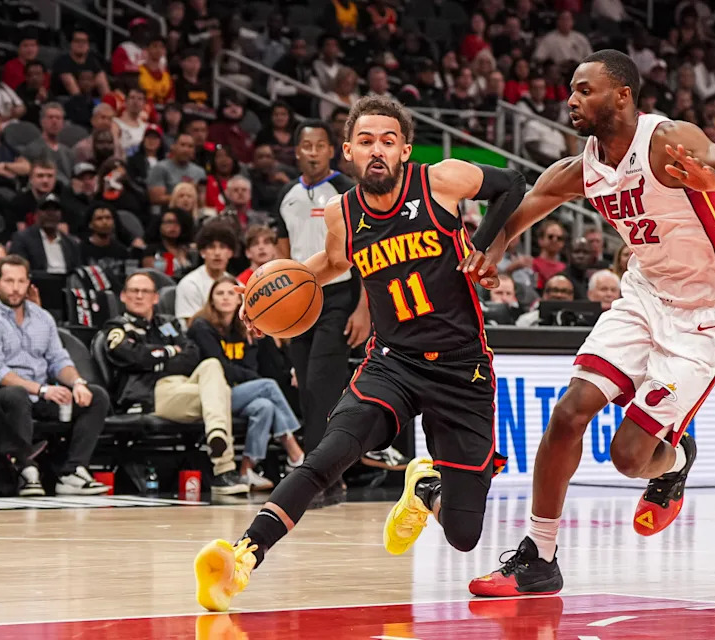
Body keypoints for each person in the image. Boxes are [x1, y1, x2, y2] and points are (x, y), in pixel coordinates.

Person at [194, 95, 525, 612]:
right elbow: (329, 265)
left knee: (464, 534)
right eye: (366, 141)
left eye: (388, 141)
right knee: (327, 455)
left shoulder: (441, 181)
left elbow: (514, 183)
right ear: (347, 151)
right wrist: (262, 297)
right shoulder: (341, 214)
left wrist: (483, 244)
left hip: (462, 368)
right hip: (392, 362)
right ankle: (242, 557)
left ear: (405, 150)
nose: (377, 150)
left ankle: (426, 488)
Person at [466, 49, 715, 596]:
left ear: (622, 95)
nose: (571, 100)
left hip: (706, 312)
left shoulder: (666, 139)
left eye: (584, 90)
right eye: (570, 90)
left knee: (629, 458)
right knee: (568, 414)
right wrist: (491, 250)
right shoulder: (582, 168)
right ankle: (539, 557)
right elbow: (519, 213)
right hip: (644, 296)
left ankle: (675, 461)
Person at [0, 255, 110, 496]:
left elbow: (59, 359)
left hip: (43, 395)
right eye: (9, 281)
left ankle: (72, 471)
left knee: (96, 396)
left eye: (21, 281)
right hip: (3, 398)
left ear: (29, 283)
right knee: (16, 395)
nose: (15, 288)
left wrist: (77, 383)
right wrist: (41, 389)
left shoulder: (42, 317)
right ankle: (25, 471)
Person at [103, 272, 249, 495]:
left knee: (211, 365)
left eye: (145, 291)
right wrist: (171, 352)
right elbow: (131, 355)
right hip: (151, 393)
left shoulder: (167, 324)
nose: (139, 296)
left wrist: (157, 359)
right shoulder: (117, 327)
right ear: (123, 296)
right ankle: (224, 469)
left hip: (183, 385)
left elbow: (192, 355)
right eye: (134, 291)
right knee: (220, 395)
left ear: (155, 298)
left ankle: (217, 435)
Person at [273, 120, 367, 464]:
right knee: (304, 389)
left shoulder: (347, 191)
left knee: (322, 386)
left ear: (332, 150)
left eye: (319, 146)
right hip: (298, 299)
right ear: (297, 151)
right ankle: (328, 470)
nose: (313, 153)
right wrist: (278, 310)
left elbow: (366, 252)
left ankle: (318, 470)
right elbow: (282, 255)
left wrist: (364, 309)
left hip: (340, 298)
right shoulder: (286, 195)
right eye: (306, 146)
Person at [187, 275, 305, 490]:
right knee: (268, 386)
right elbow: (221, 368)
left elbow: (250, 367)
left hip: (238, 393)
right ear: (211, 300)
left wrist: (246, 372)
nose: (225, 298)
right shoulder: (201, 327)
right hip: (212, 396)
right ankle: (294, 450)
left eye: (230, 293)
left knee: (264, 406)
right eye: (219, 293)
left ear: (239, 300)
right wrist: (249, 378)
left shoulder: (243, 328)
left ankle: (246, 471)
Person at [175, 220, 236, 323]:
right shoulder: (190, 284)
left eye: (222, 247)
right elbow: (191, 325)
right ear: (202, 252)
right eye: (211, 247)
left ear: (230, 253)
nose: (217, 253)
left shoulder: (237, 285)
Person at [8, 194, 81, 274]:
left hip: (66, 281)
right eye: (45, 209)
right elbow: (19, 270)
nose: (51, 213)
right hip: (37, 280)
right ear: (36, 214)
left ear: (61, 214)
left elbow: (77, 272)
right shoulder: (22, 239)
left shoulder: (71, 243)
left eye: (55, 209)